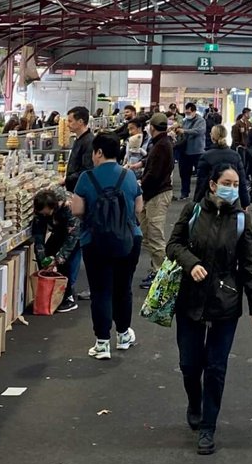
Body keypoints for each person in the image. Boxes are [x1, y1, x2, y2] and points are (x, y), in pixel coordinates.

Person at [167, 161, 252, 455]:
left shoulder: (242, 222)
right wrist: (191, 263)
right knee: (189, 365)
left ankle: (208, 427)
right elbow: (173, 245)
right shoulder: (193, 212)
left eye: (236, 185)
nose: (232, 189)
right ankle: (194, 402)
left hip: (226, 301)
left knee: (216, 368)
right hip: (190, 298)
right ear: (212, 184)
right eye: (227, 183)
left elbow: (248, 267)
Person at [71, 132, 144, 359]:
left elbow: (77, 210)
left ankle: (102, 343)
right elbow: (138, 208)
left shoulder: (86, 178)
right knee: (123, 288)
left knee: (101, 291)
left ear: (99, 152)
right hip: (129, 239)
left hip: (95, 241)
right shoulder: (128, 176)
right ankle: (123, 335)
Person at [139, 113, 174, 289]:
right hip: (154, 194)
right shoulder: (162, 143)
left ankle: (162, 275)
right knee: (147, 233)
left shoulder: (161, 145)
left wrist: (139, 186)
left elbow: (154, 174)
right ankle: (157, 270)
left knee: (155, 235)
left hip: (157, 195)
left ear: (152, 127)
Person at [32, 187, 81, 312]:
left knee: (67, 262)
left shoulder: (69, 206)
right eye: (41, 213)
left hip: (76, 230)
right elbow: (38, 235)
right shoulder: (40, 208)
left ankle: (69, 297)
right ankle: (52, 292)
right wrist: (42, 259)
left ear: (53, 207)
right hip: (58, 230)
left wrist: (58, 259)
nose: (44, 215)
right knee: (48, 250)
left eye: (46, 213)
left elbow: (72, 237)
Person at [196, 123, 248, 207]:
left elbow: (201, 183)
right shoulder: (235, 155)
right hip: (233, 199)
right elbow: (241, 181)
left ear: (212, 137)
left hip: (212, 198)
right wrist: (245, 202)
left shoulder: (206, 156)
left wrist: (197, 201)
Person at [63, 105, 94, 192]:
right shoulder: (79, 138)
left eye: (70, 121)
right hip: (74, 187)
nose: (68, 125)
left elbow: (87, 170)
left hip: (81, 189)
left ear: (80, 121)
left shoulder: (89, 141)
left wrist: (66, 180)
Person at [177, 102, 205, 200]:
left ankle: (200, 195)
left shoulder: (201, 120)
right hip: (185, 151)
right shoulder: (184, 121)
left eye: (189, 113)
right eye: (186, 112)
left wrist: (184, 131)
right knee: (184, 173)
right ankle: (184, 192)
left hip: (197, 151)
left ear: (194, 111)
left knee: (201, 174)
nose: (187, 114)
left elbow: (199, 131)